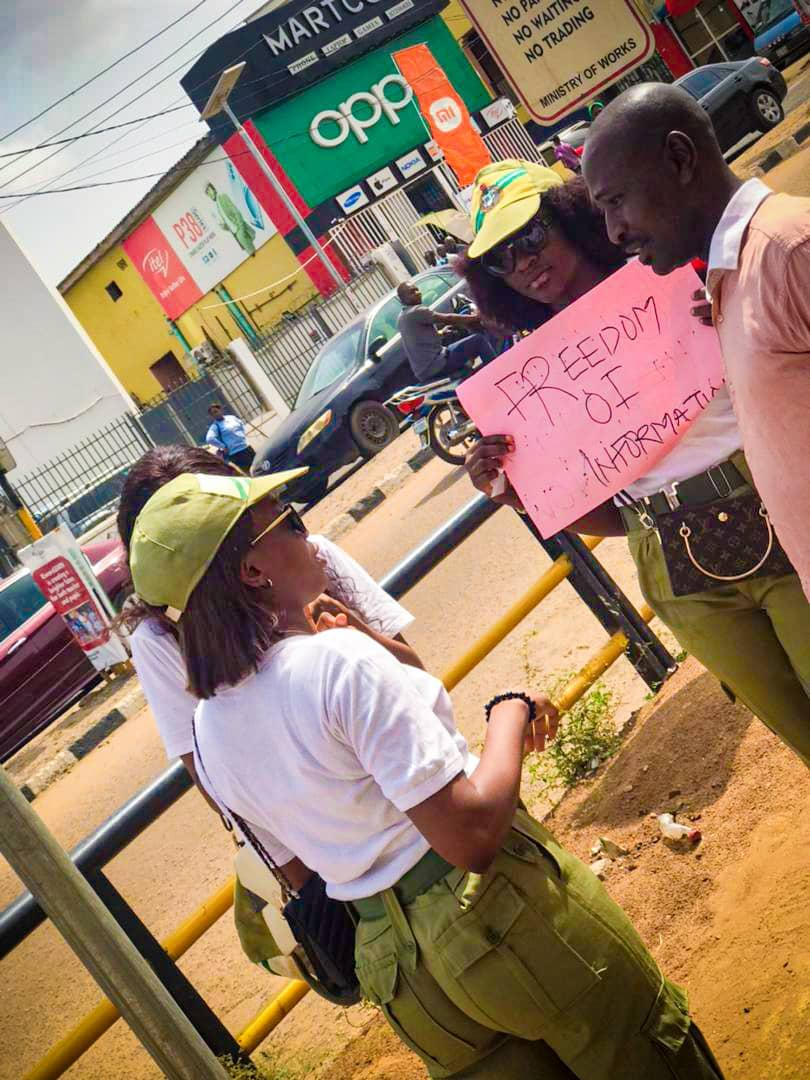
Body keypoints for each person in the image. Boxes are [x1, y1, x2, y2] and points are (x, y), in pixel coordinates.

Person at [129, 466, 724, 1080]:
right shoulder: (335, 663)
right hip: (497, 916)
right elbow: (470, 835)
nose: (310, 539)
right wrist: (509, 715)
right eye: (291, 522)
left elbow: (296, 846)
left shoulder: (209, 728)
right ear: (253, 572)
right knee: (649, 1057)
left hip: (397, 972)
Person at [461, 158, 810, 766]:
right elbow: (612, 520)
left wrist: (726, 318)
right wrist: (526, 490)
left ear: (572, 213)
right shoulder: (528, 375)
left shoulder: (676, 273)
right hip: (672, 561)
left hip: (775, 504)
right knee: (798, 732)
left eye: (531, 236)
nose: (521, 263)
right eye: (500, 258)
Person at [582, 82, 810, 604]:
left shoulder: (789, 251)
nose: (615, 231)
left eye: (617, 201)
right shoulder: (736, 279)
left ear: (680, 159)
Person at [396, 280, 496, 384]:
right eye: (412, 292)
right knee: (478, 340)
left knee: (461, 349)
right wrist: (475, 318)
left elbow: (417, 338)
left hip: (424, 370)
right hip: (436, 363)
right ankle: (499, 375)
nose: (418, 293)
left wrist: (441, 333)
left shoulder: (402, 317)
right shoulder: (416, 311)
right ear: (403, 299)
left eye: (417, 289)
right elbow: (447, 318)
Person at [205, 181, 256, 255]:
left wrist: (241, 226)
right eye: (208, 194)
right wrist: (223, 226)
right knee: (248, 248)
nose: (210, 195)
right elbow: (226, 221)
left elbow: (235, 210)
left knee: (250, 249)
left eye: (209, 191)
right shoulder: (217, 206)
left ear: (214, 189)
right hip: (234, 231)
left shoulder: (223, 197)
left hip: (238, 227)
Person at [205, 403, 255, 472]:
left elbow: (241, 425)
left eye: (216, 411)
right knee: (248, 471)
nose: (215, 414)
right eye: (212, 414)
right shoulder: (215, 426)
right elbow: (209, 439)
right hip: (236, 454)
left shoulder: (232, 418)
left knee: (259, 466)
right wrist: (223, 447)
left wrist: (242, 436)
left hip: (246, 448)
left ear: (221, 410)